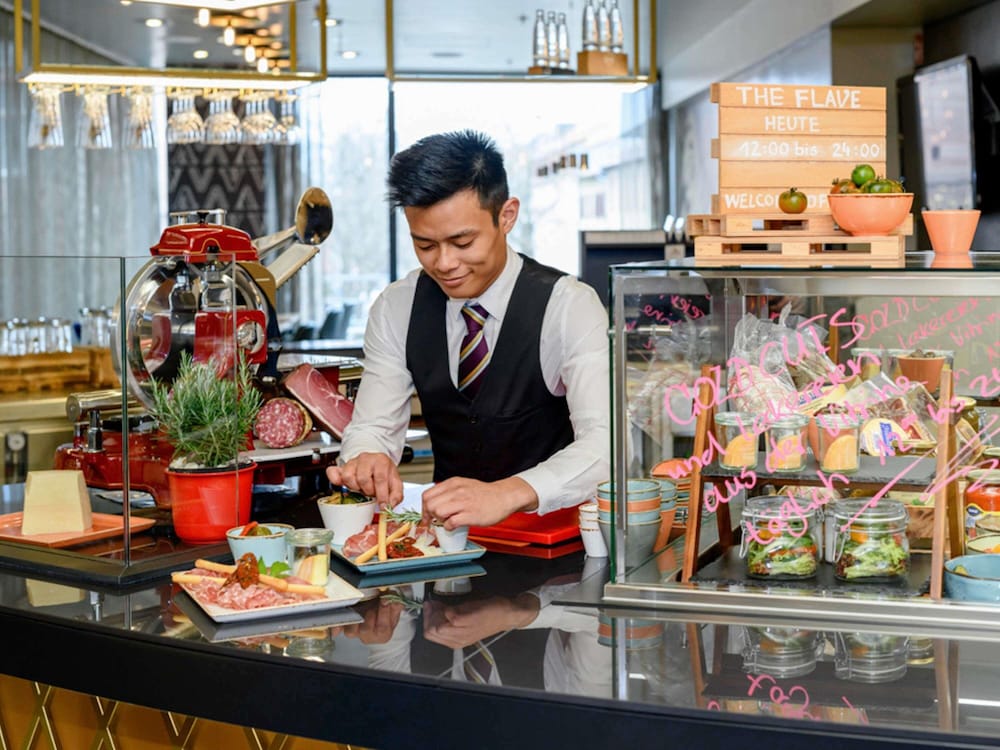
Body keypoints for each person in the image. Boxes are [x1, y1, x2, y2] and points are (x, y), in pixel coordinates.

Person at [327, 129, 609, 529]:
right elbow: (373, 427)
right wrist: (367, 456)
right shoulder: (397, 307)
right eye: (425, 246)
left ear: (506, 216)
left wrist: (507, 493)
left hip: (555, 538)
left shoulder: (569, 306)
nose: (444, 263)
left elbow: (605, 447)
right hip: (448, 540)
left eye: (462, 242)